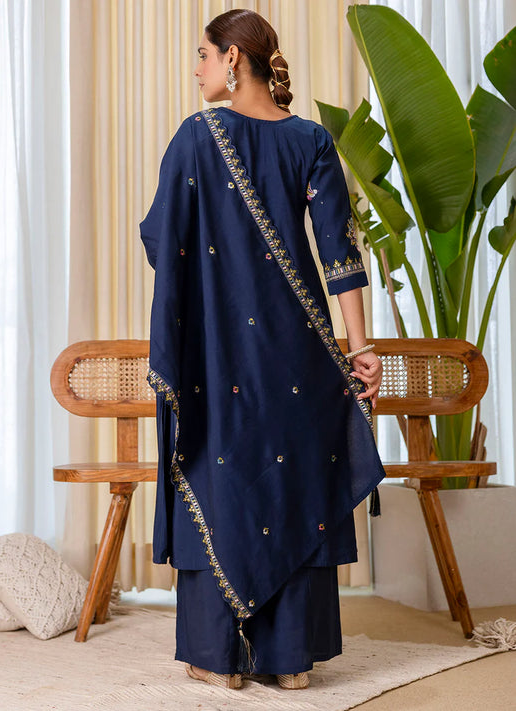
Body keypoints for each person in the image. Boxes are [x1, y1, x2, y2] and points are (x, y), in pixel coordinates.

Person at [140, 8, 385, 691]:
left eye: (203, 54)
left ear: (233, 60)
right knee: (292, 481)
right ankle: (289, 661)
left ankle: (218, 657)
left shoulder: (197, 137)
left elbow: (162, 237)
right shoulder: (311, 140)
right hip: (299, 350)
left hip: (217, 351)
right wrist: (359, 348)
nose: (196, 68)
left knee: (220, 478)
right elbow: (339, 255)